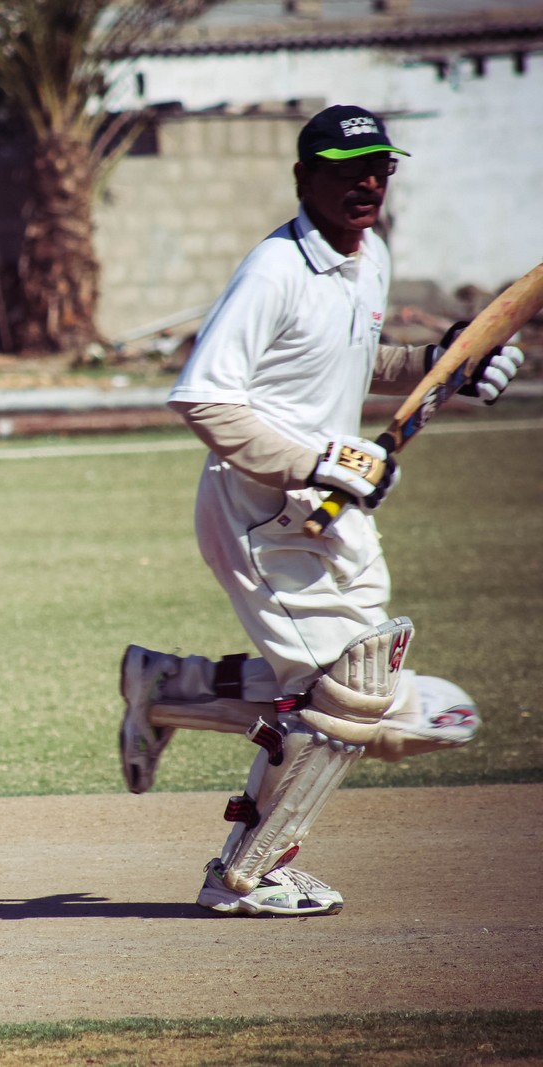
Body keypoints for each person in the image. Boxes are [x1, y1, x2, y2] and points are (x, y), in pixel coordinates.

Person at [117, 105, 525, 916]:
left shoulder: (370, 255)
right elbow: (203, 399)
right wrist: (317, 460)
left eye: (379, 168)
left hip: (335, 508)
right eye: (346, 170)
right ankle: (244, 873)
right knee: (353, 698)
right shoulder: (274, 270)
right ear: (304, 177)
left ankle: (170, 685)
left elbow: (343, 356)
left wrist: (441, 363)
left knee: (371, 702)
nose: (366, 183)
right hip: (261, 511)